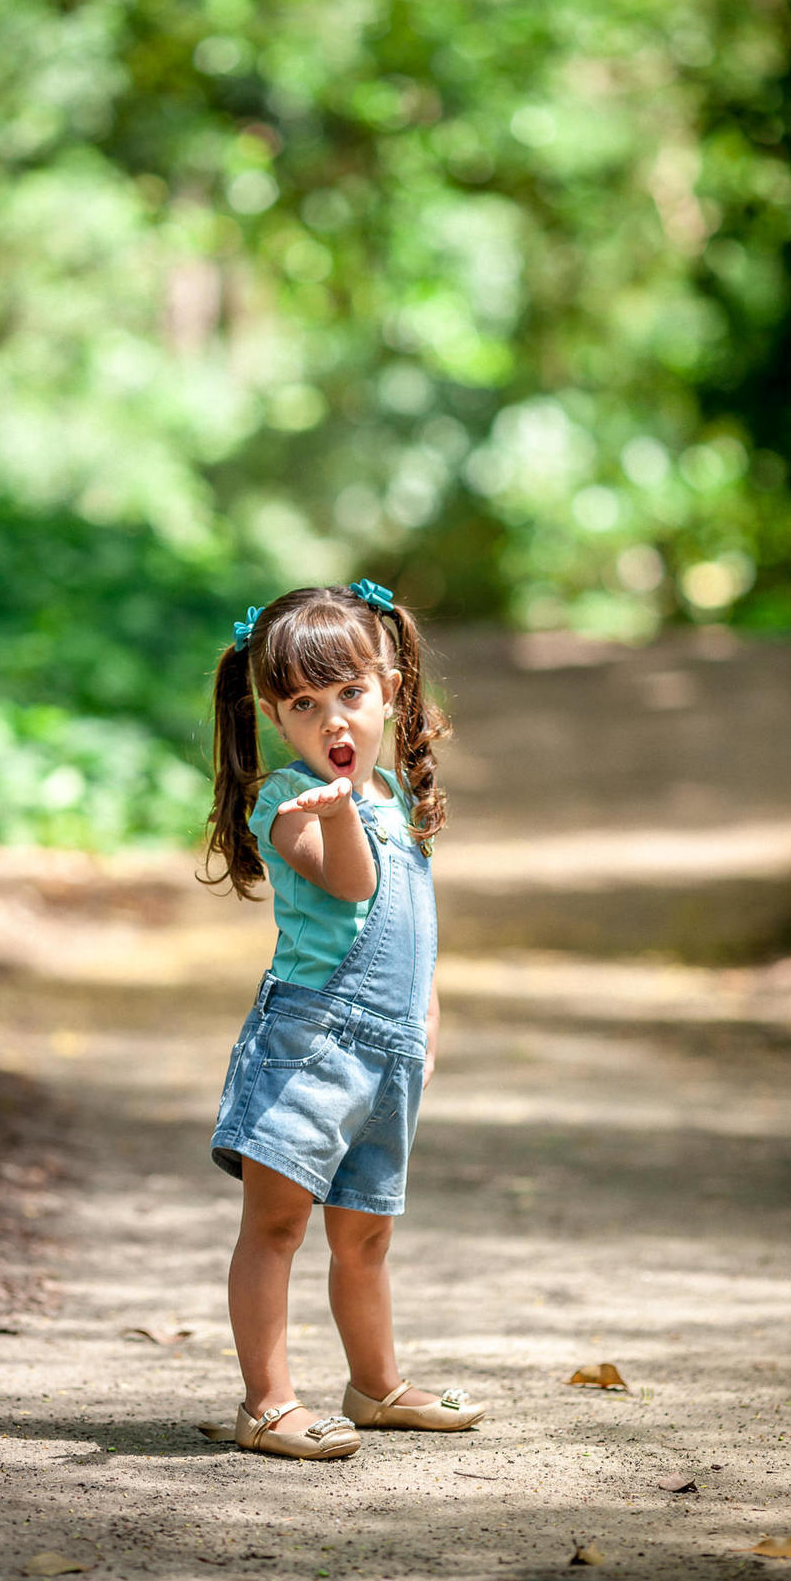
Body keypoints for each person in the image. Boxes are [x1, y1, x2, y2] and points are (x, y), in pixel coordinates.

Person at [202, 580, 486, 1460]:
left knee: (365, 1232)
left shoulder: (393, 798)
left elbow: (416, 929)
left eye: (350, 693)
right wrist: (340, 814)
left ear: (390, 691)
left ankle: (376, 1386)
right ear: (275, 718)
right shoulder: (288, 802)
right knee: (276, 1225)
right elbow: (351, 883)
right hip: (309, 1049)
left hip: (388, 1057)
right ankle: (267, 1404)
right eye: (304, 704)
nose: (333, 720)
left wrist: (426, 1016)